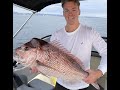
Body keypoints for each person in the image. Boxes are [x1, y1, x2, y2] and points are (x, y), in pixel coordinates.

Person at [50, 0, 107, 90]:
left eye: (74, 10)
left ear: (79, 11)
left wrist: (98, 73)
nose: (70, 14)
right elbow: (52, 60)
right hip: (61, 84)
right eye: (67, 10)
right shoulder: (56, 35)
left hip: (83, 84)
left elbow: (105, 51)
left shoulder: (90, 32)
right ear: (63, 13)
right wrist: (39, 66)